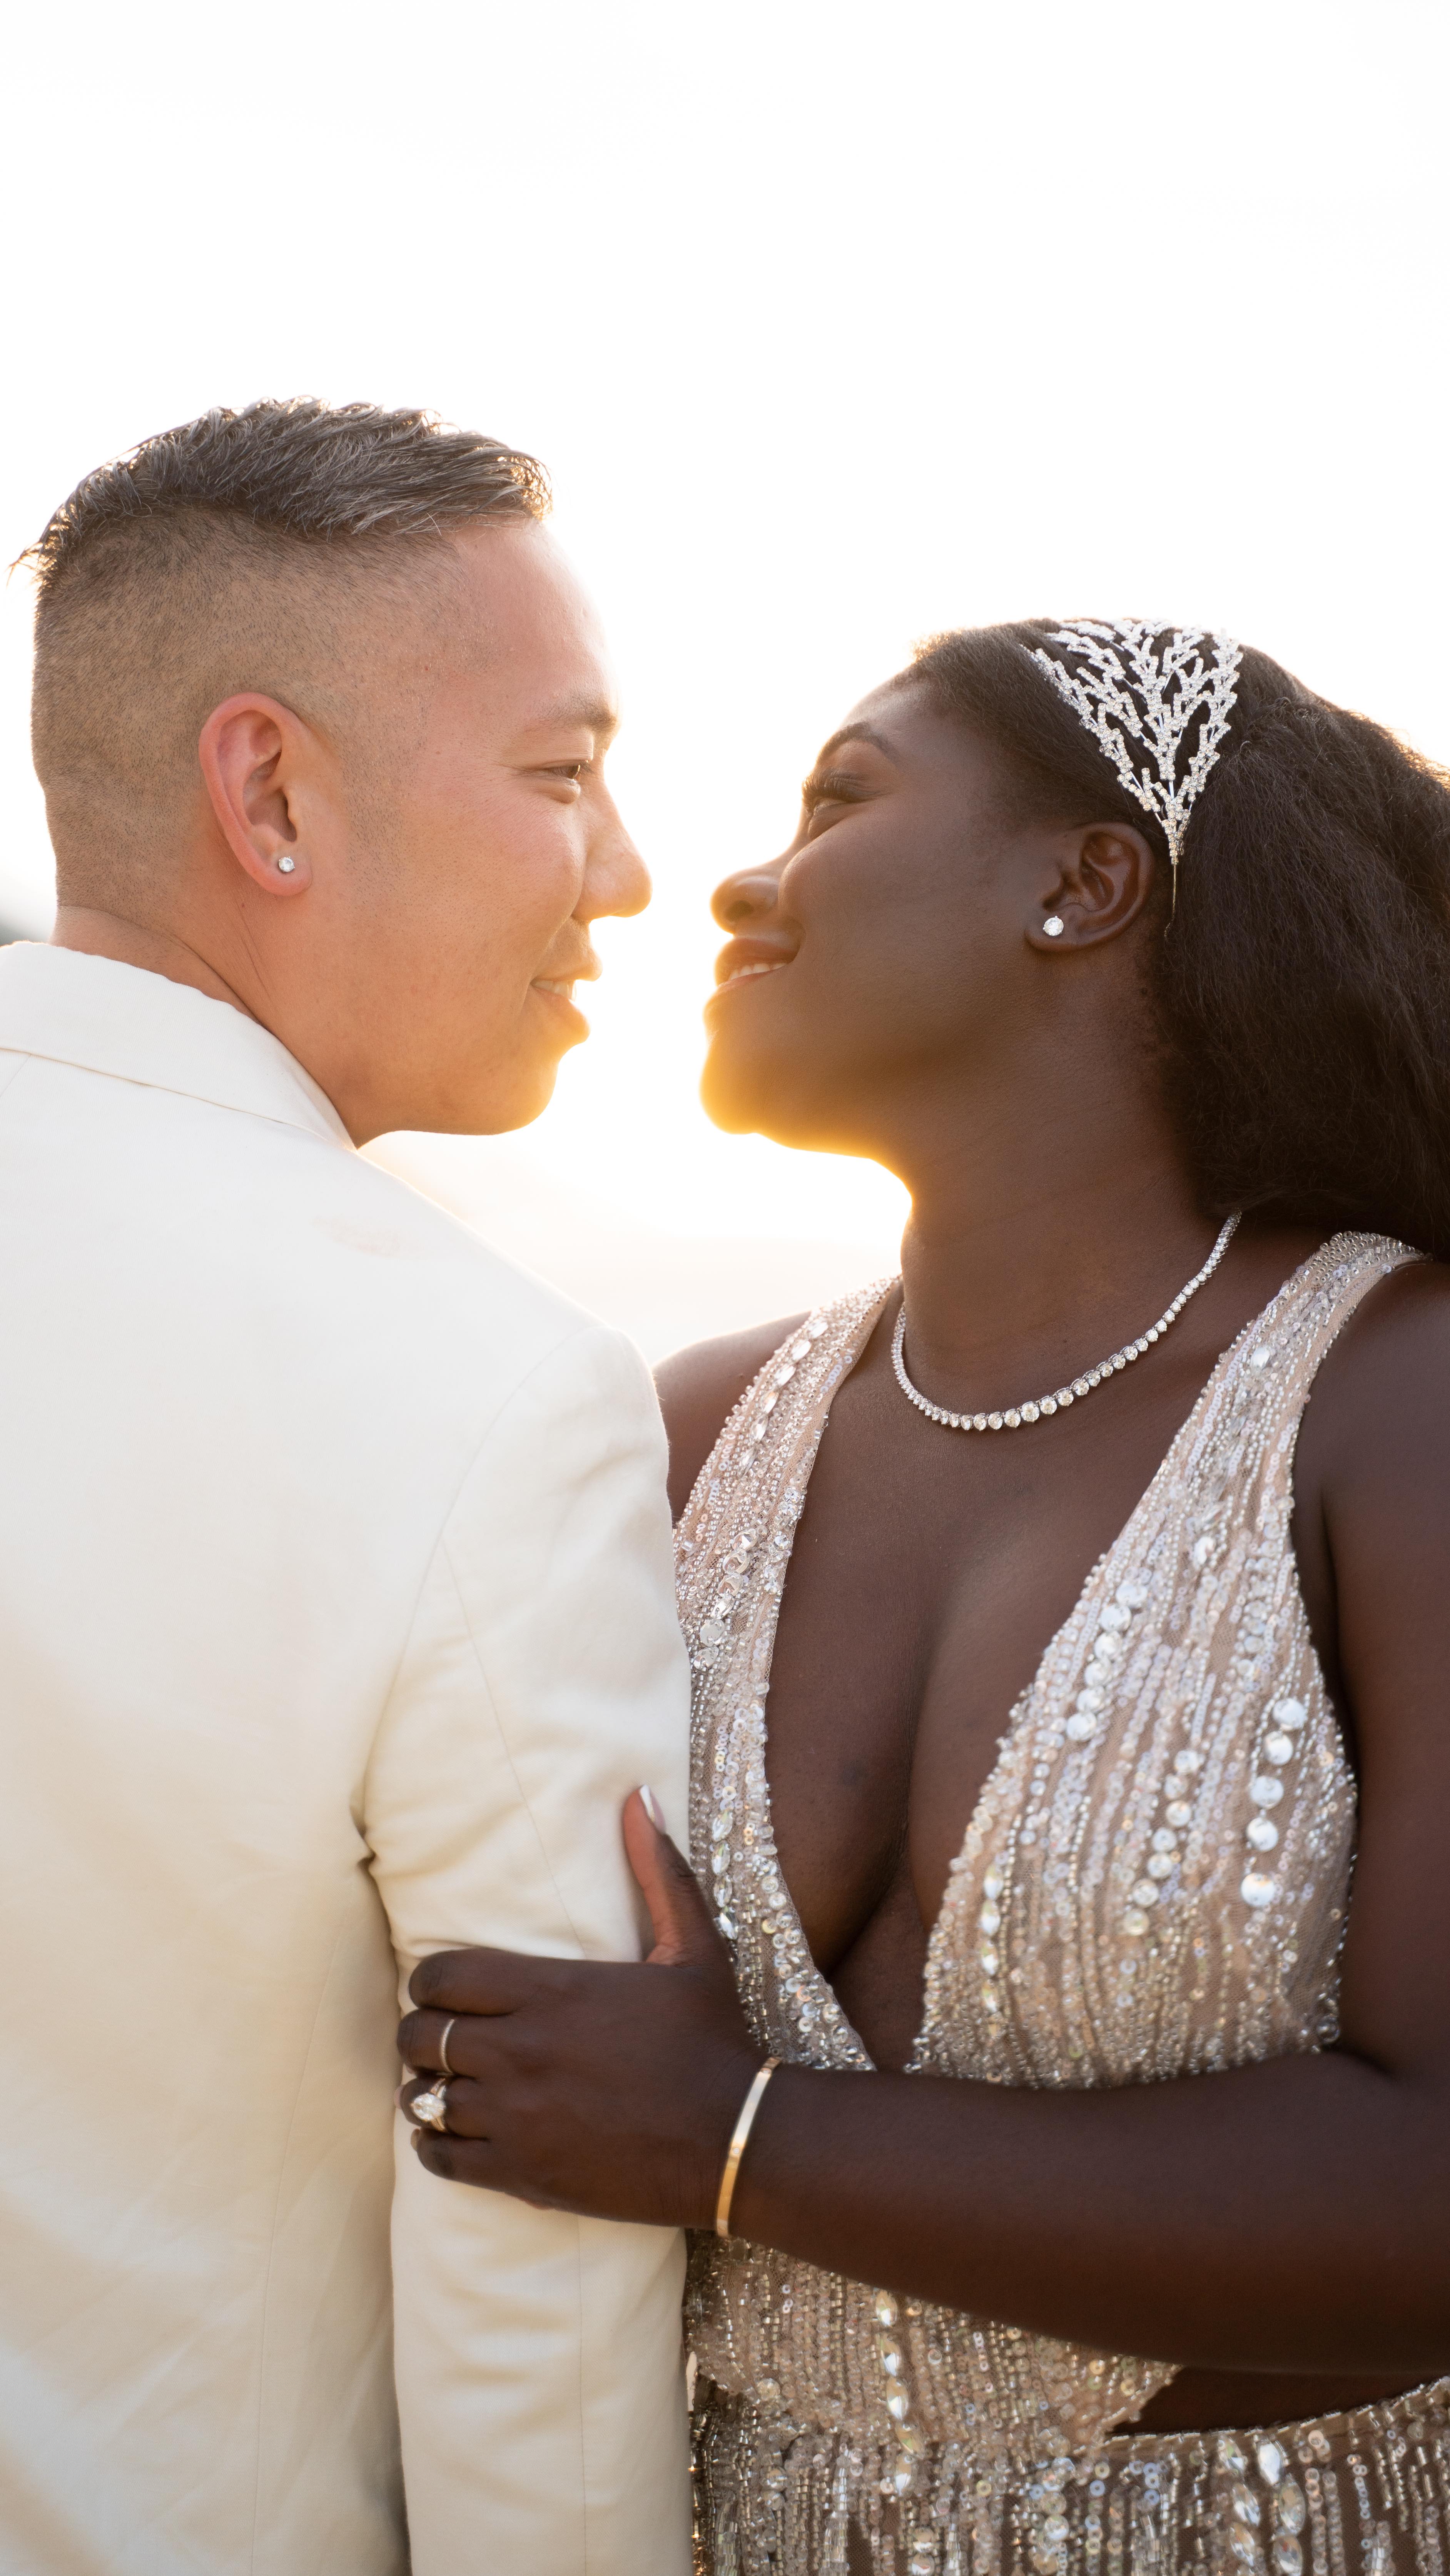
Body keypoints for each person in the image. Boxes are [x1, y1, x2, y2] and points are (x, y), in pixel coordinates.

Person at [399, 620, 1450, 2575]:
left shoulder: (1395, 1402)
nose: (738, 879)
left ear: (1086, 881)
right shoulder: (688, 1432)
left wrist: (734, 2138)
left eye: (843, 798)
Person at [0, 401, 693, 2576]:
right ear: (272, 792)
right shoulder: (487, 1398)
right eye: (561, 773)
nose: (627, 873)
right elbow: (535, 2283)